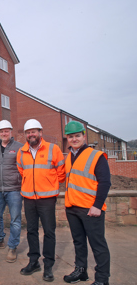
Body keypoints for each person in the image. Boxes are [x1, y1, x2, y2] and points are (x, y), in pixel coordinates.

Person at [17, 119, 65, 282]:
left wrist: (50, 184)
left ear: (40, 133)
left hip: (47, 199)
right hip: (29, 198)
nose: (31, 134)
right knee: (31, 231)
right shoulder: (22, 151)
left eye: (34, 131)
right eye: (28, 132)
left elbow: (61, 172)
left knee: (49, 232)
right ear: (25, 135)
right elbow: (22, 170)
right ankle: (33, 261)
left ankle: (48, 266)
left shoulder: (53, 149)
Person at [63, 121, 111, 285]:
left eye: (77, 136)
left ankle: (102, 279)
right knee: (79, 242)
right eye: (71, 136)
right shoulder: (69, 156)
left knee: (98, 245)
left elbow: (105, 182)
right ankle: (81, 271)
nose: (74, 139)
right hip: (73, 207)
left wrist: (97, 206)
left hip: (91, 209)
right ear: (67, 139)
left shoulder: (96, 156)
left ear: (84, 136)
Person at [0, 120, 23, 264]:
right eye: (1, 131)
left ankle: (12, 246)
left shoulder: (19, 147)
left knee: (15, 219)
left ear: (11, 132)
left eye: (6, 131)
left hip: (14, 190)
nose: (4, 133)